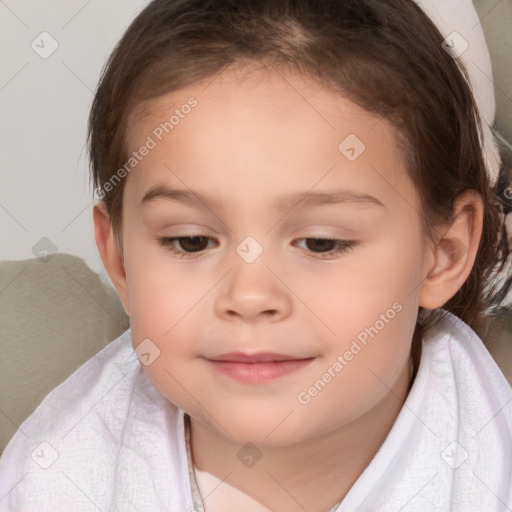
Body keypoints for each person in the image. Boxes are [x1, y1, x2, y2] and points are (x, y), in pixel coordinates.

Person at [1, 0, 511, 510]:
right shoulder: (58, 477)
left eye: (321, 243)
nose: (249, 296)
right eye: (191, 241)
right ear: (119, 260)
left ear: (444, 253)